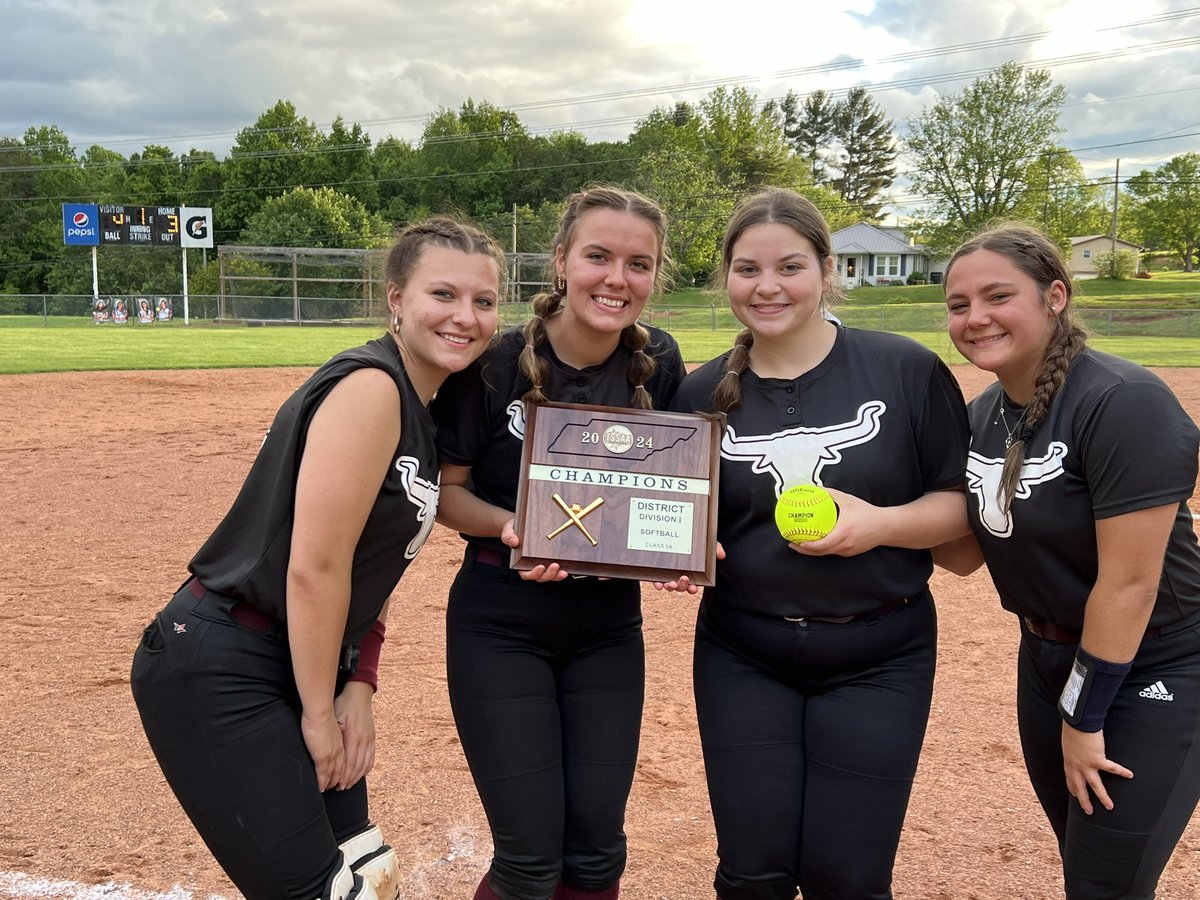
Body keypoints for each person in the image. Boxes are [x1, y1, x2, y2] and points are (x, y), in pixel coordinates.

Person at [130, 217, 505, 900]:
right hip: (223, 663)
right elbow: (316, 568)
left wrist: (358, 683)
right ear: (396, 298)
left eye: (483, 301)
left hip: (304, 657)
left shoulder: (421, 406)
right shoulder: (373, 389)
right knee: (319, 892)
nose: (466, 316)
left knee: (367, 871)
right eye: (443, 294)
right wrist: (316, 712)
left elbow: (377, 561)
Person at [667, 187, 971, 900]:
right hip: (743, 653)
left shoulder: (904, 370)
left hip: (881, 654)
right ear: (727, 278)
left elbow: (959, 509)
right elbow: (681, 521)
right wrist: (671, 555)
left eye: (790, 267)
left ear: (827, 271)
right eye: (747, 269)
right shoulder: (701, 395)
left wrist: (881, 525)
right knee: (752, 875)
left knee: (850, 879)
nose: (767, 286)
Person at [430, 186, 685, 900]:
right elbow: (447, 494)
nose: (617, 278)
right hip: (500, 623)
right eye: (598, 256)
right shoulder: (496, 360)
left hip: (607, 628)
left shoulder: (658, 358)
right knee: (529, 860)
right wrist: (513, 526)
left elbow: (676, 486)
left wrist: (683, 548)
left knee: (598, 852)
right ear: (562, 261)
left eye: (639, 263)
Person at [939, 223, 1200, 899]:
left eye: (998, 296)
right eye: (959, 304)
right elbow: (964, 554)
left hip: (1155, 662)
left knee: (1104, 885)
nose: (975, 318)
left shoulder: (1122, 400)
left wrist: (1083, 719)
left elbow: (1131, 585)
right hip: (1048, 658)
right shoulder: (983, 415)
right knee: (1083, 860)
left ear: (1055, 296)